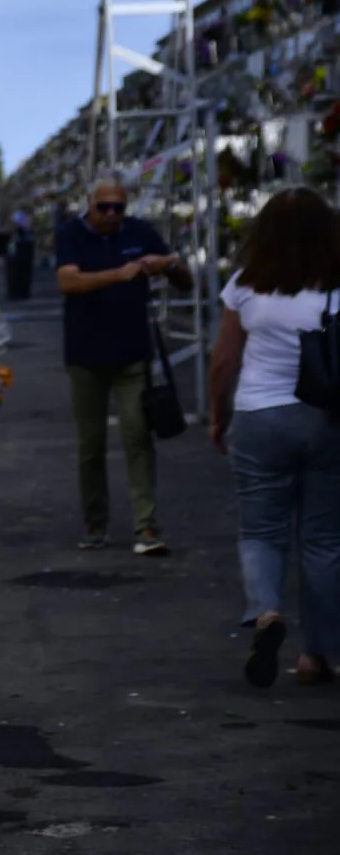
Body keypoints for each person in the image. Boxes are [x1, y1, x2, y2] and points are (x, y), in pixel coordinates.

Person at [207, 187, 340, 688]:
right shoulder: (335, 284)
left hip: (259, 417)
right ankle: (317, 656)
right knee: (324, 540)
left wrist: (217, 418)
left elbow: (224, 361)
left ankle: (266, 613)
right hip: (326, 419)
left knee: (262, 530)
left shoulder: (246, 284)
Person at [56, 174, 192, 554]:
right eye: (104, 207)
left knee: (138, 437)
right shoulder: (72, 235)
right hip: (86, 355)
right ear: (90, 204)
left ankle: (146, 525)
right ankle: (95, 522)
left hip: (132, 353)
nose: (112, 214)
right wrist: (121, 274)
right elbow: (67, 282)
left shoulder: (140, 232)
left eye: (119, 206)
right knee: (91, 444)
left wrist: (169, 264)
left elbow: (186, 282)